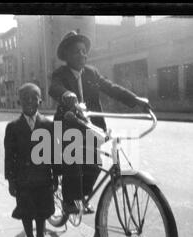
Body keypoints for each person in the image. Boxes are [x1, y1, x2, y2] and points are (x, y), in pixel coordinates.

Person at [49, 30, 151, 214]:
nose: (82, 55)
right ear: (67, 56)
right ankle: (68, 201)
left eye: (83, 51)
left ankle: (82, 196)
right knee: (73, 162)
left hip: (90, 125)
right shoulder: (60, 74)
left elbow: (112, 88)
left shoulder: (92, 73)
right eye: (76, 52)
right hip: (67, 125)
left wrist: (136, 100)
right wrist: (66, 94)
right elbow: (54, 87)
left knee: (94, 164)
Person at [4, 83, 57, 237]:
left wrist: (55, 176)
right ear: (19, 101)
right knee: (27, 211)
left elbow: (54, 154)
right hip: (23, 179)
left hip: (43, 178)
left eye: (33, 98)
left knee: (42, 211)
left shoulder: (48, 125)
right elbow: (9, 157)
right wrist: (11, 181)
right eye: (25, 98)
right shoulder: (13, 127)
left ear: (40, 100)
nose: (29, 101)